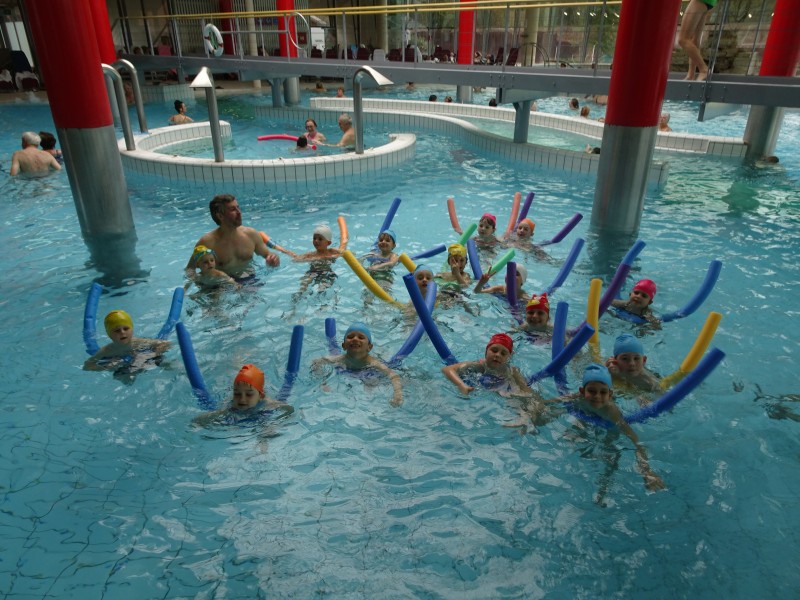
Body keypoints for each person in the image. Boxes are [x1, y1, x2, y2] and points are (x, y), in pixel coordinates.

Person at [559, 364, 665, 491]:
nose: (597, 396)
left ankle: (604, 486)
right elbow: (556, 401)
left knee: (610, 454)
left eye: (603, 392)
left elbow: (635, 441)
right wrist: (540, 406)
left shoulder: (611, 412)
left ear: (610, 394)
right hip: (586, 417)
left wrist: (647, 471)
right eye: (592, 391)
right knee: (571, 438)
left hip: (609, 427)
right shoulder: (579, 397)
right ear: (582, 391)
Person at [186, 194, 280, 280]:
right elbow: (190, 269)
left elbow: (267, 254)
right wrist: (201, 281)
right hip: (221, 285)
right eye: (232, 209)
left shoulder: (251, 235)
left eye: (238, 207)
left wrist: (273, 258)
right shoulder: (207, 243)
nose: (239, 212)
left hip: (249, 280)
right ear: (220, 216)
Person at [312, 322, 403, 407]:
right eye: (350, 337)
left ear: (369, 347)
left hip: (369, 372)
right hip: (347, 373)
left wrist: (397, 394)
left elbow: (393, 375)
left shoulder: (374, 363)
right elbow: (316, 362)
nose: (355, 339)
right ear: (344, 346)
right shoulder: (339, 359)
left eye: (361, 337)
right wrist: (323, 382)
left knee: (371, 388)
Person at [193, 364, 291, 426]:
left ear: (260, 396)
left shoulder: (268, 403)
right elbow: (210, 416)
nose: (242, 399)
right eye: (237, 394)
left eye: (249, 394)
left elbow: (288, 409)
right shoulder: (230, 406)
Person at [441, 333, 534, 397]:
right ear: (486, 352)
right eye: (494, 350)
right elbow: (447, 369)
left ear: (508, 358)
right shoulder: (479, 366)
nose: (497, 355)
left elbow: (526, 390)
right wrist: (461, 385)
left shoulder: (512, 371)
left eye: (503, 353)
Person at [83, 310, 171, 372]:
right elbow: (87, 366)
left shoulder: (138, 342)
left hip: (146, 360)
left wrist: (150, 354)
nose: (122, 332)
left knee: (168, 364)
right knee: (124, 378)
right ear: (110, 335)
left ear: (132, 330)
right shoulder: (107, 350)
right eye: (117, 330)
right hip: (126, 368)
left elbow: (165, 344)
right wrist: (107, 367)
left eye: (126, 328)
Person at [678, 0, 716, 81]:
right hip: (708, 2)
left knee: (683, 39)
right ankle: (691, 75)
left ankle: (703, 69)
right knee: (694, 40)